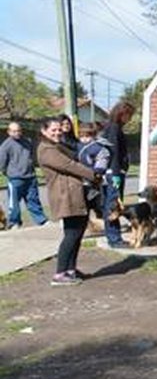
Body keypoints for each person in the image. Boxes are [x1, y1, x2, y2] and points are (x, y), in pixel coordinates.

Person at [35, 118, 102, 285]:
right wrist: (94, 174)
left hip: (74, 194)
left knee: (77, 234)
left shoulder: (56, 146)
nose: (58, 132)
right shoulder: (46, 149)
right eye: (53, 130)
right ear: (43, 131)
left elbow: (76, 155)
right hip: (65, 196)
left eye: (59, 129)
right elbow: (69, 165)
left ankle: (70, 269)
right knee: (71, 235)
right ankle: (59, 274)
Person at [0, 121, 48, 228]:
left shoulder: (27, 142)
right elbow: (2, 162)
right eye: (14, 131)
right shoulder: (6, 145)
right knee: (14, 202)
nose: (17, 133)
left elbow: (31, 157)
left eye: (18, 131)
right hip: (15, 178)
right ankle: (14, 222)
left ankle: (41, 220)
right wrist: (7, 173)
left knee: (33, 199)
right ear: (9, 132)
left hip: (30, 176)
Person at [100, 101, 134, 247]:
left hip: (114, 172)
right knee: (113, 205)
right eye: (129, 115)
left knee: (112, 204)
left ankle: (114, 237)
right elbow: (113, 152)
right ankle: (114, 239)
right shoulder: (113, 128)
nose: (130, 119)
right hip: (113, 173)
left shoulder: (112, 127)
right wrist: (115, 174)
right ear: (122, 114)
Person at [76, 122, 112, 219]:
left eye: (87, 136)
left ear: (93, 135)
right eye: (81, 136)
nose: (84, 139)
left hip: (93, 180)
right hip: (79, 179)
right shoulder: (77, 146)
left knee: (97, 204)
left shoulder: (98, 148)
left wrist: (95, 173)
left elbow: (102, 162)